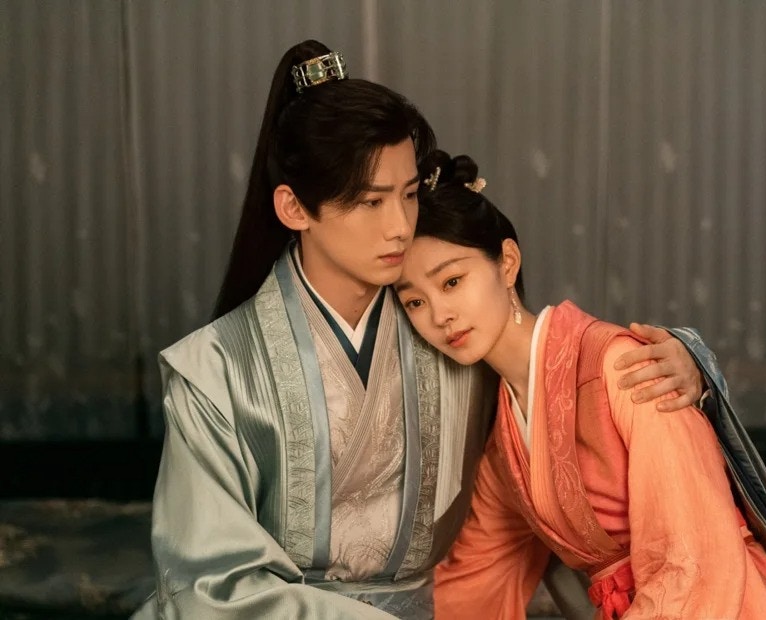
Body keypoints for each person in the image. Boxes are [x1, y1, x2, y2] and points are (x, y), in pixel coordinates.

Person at [132, 41, 721, 619]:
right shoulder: (213, 370)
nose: (399, 227)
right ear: (294, 209)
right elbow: (209, 587)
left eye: (409, 195)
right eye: (371, 202)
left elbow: (565, 378)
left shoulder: (445, 324)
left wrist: (687, 362)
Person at [394, 151, 766, 619]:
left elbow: (691, 558)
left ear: (507, 263)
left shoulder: (623, 367)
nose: (439, 315)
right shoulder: (505, 438)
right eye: (414, 303)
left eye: (452, 281)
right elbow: (474, 580)